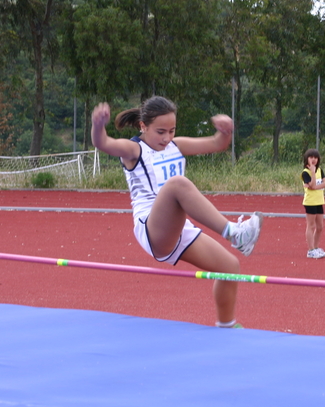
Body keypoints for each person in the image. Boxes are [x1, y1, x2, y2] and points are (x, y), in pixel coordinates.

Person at [91, 96, 263, 328]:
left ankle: (227, 326)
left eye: (172, 131)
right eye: (160, 131)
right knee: (177, 184)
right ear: (143, 126)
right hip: (152, 227)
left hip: (179, 228)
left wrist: (225, 131)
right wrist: (98, 125)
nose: (167, 138)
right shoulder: (134, 150)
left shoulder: (176, 146)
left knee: (229, 267)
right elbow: (103, 143)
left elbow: (216, 144)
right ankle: (233, 232)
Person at [301, 148, 325, 259]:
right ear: (306, 159)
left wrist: (315, 187)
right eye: (311, 157)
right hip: (310, 202)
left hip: (319, 201)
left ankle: (316, 247)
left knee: (320, 226)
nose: (313, 160)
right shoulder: (305, 173)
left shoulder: (320, 170)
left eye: (315, 158)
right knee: (311, 226)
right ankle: (311, 249)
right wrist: (312, 172)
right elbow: (311, 184)